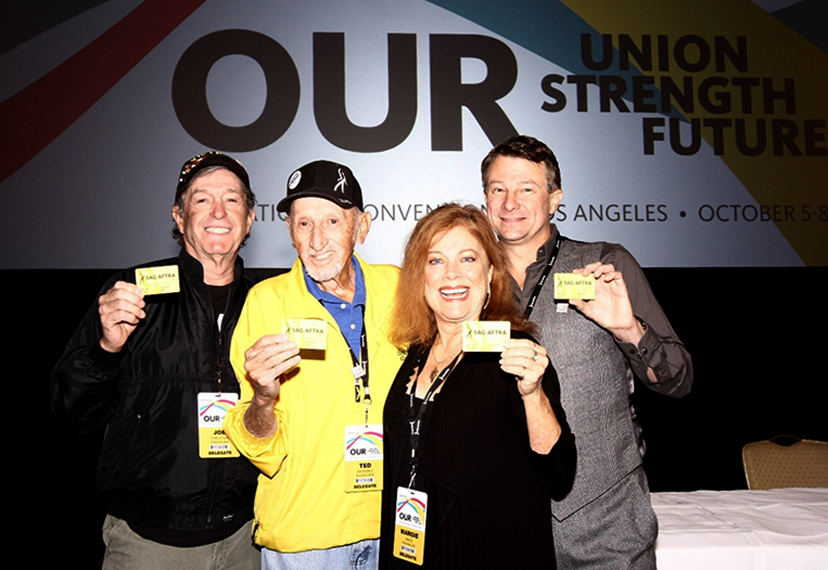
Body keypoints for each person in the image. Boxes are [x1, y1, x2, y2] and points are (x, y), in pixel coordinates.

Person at [481, 135, 694, 570]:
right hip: (505, 520)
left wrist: (627, 328)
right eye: (497, 189)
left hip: (604, 521)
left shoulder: (604, 264)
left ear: (555, 199)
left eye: (526, 189)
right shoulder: (466, 281)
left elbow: (679, 379)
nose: (509, 202)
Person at [51, 151, 261, 569]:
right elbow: (70, 413)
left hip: (245, 539)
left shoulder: (267, 302)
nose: (218, 211)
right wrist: (106, 349)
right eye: (201, 199)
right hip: (150, 544)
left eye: (232, 200)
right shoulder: (132, 293)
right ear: (179, 217)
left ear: (251, 218)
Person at [224, 160, 400, 570]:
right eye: (303, 224)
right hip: (306, 540)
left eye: (333, 221)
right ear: (289, 230)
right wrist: (263, 399)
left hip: (395, 528)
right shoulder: (266, 303)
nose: (317, 240)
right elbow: (255, 441)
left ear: (362, 227)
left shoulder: (398, 289)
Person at [379, 204, 576, 569]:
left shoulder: (516, 351)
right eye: (435, 261)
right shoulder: (417, 353)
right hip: (415, 546)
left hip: (491, 552)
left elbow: (559, 473)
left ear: (489, 274)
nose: (451, 274)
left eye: (467, 258)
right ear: (419, 279)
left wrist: (532, 394)